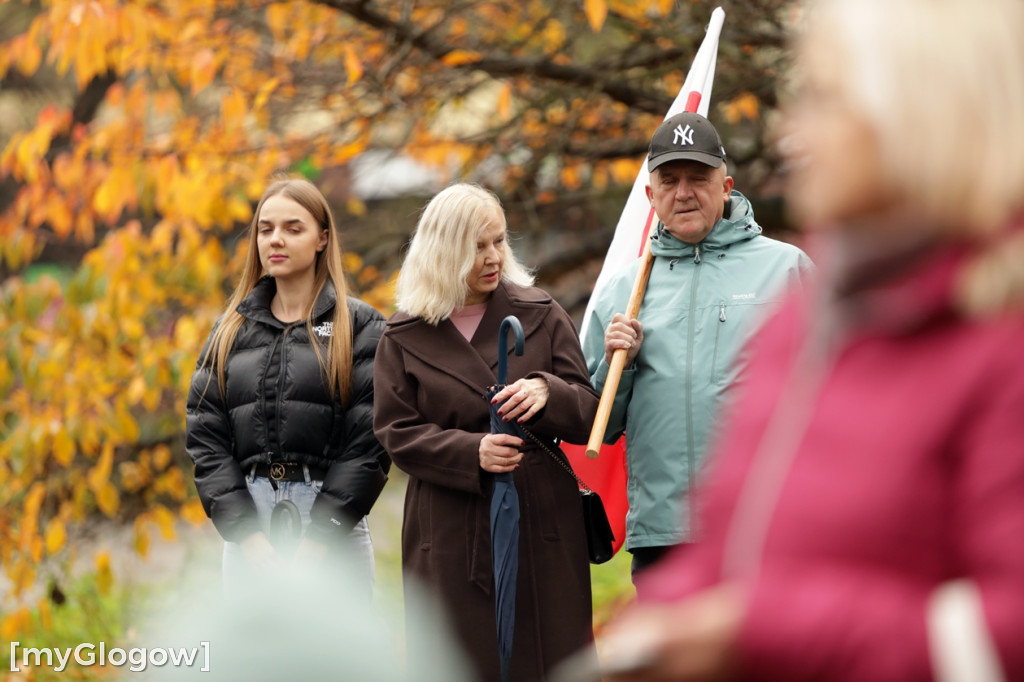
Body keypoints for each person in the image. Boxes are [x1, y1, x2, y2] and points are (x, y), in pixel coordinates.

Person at [593, 0, 1024, 679]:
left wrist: (764, 632)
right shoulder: (817, 313)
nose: (794, 132)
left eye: (825, 98)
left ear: (922, 113)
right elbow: (736, 531)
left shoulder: (1004, 336)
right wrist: (658, 622)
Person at [373, 183, 600, 682]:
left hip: (540, 517)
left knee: (550, 660)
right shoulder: (404, 334)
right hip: (450, 526)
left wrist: (547, 392)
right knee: (460, 662)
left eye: (498, 241)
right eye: (476, 246)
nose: (494, 256)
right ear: (443, 251)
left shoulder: (540, 313)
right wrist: (470, 451)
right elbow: (395, 431)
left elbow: (588, 411)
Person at [582, 111, 812, 578]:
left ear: (726, 186)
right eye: (669, 181)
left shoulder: (789, 271)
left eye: (698, 178)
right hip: (663, 534)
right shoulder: (621, 294)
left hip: (765, 525)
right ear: (651, 196)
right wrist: (616, 364)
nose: (683, 192)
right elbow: (597, 427)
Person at [185, 178, 390, 586]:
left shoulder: (363, 327)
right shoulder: (229, 331)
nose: (276, 239)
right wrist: (248, 536)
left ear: (322, 238)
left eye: (293, 228)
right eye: (266, 229)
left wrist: (319, 540)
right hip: (251, 533)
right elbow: (205, 436)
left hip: (334, 533)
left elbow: (370, 442)